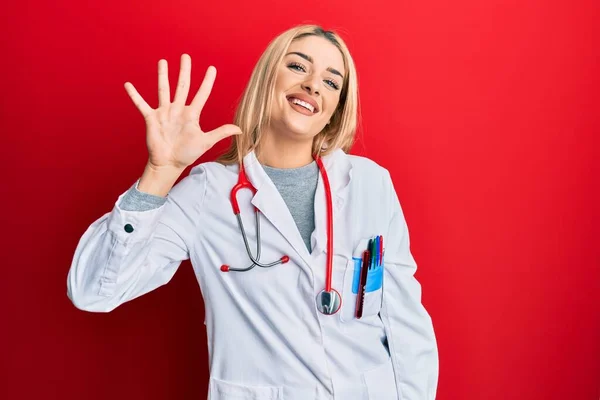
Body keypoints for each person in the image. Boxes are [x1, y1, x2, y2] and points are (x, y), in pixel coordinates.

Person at [67, 24, 439, 400]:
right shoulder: (207, 192)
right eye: (298, 66)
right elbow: (93, 292)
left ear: (335, 111)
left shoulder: (370, 184)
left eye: (331, 82)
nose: (312, 85)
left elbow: (405, 320)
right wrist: (160, 174)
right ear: (267, 79)